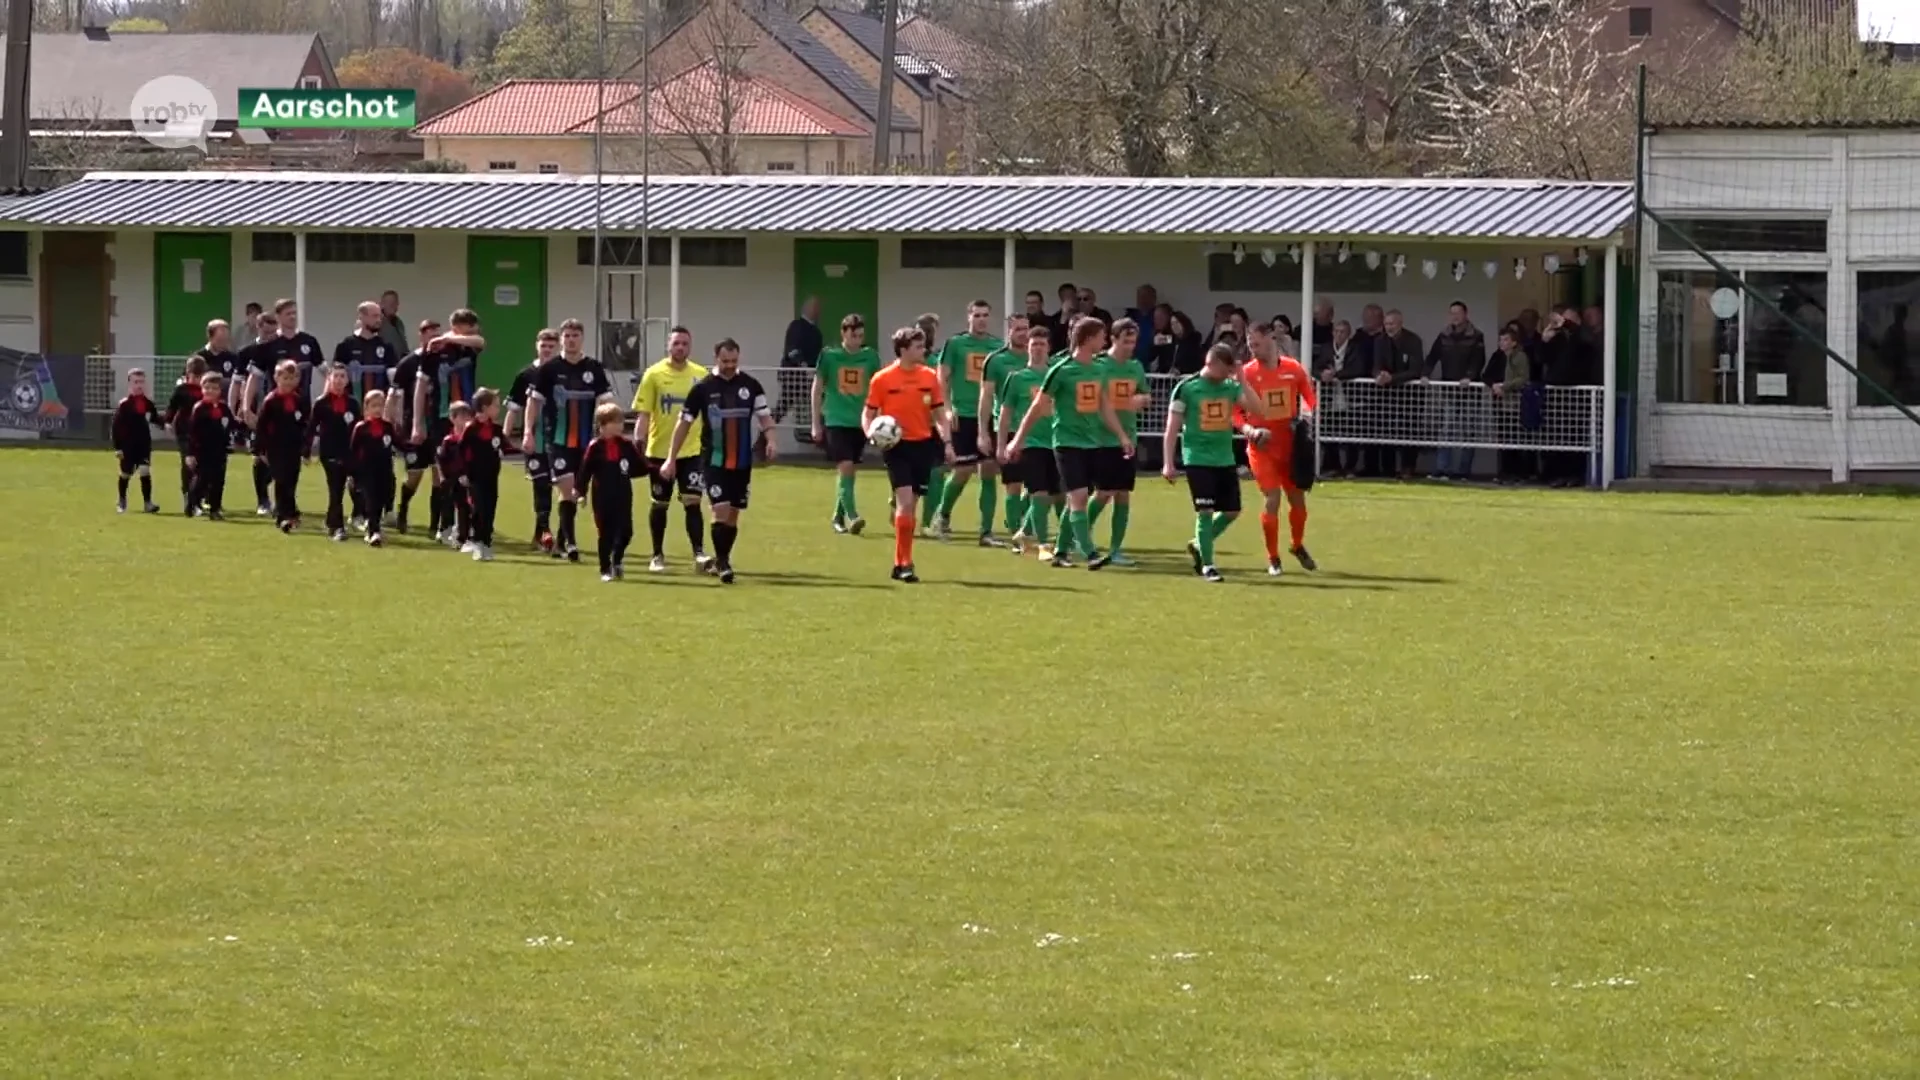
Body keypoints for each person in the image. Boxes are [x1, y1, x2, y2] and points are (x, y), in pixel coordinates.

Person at [1006, 318, 1128, 570]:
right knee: (1079, 496)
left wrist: (1121, 435)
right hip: (1065, 442)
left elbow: (1104, 405)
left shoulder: (1099, 370)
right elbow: (1037, 408)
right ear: (1088, 338)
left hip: (1092, 443)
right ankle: (1090, 552)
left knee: (1086, 497)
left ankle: (1061, 551)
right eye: (1101, 336)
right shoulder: (1061, 370)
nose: (1104, 341)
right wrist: (1017, 440)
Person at [660, 338, 775, 586]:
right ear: (716, 359)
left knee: (733, 515)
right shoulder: (702, 388)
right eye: (725, 361)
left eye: (734, 361)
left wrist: (771, 439)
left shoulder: (751, 386)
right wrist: (671, 458)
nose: (730, 366)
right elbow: (684, 424)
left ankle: (724, 558)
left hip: (742, 462)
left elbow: (765, 417)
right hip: (713, 461)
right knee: (719, 510)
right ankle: (723, 563)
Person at [1163, 344, 1267, 583]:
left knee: (1232, 511)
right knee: (1205, 511)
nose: (1228, 374)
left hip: (1224, 459)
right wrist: (1168, 463)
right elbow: (1172, 428)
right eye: (1227, 368)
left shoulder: (1230, 388)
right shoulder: (1187, 388)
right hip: (1198, 459)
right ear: (1214, 363)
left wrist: (1242, 379)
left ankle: (1199, 543)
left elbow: (1258, 408)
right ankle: (1208, 565)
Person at [863, 325, 955, 583]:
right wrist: (870, 431)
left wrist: (947, 442)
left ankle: (898, 562)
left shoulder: (929, 377)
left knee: (910, 508)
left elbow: (938, 414)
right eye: (917, 346)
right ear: (903, 350)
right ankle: (906, 564)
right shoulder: (882, 379)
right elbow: (868, 412)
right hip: (896, 447)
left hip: (923, 445)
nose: (923, 350)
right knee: (905, 502)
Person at [524, 318, 613, 563]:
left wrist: (610, 428)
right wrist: (528, 432)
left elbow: (606, 401)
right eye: (567, 336)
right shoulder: (550, 369)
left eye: (575, 335)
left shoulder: (593, 368)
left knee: (576, 492)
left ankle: (563, 540)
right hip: (558, 440)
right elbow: (534, 401)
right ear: (562, 339)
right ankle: (571, 543)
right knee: (568, 490)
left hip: (586, 442)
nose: (571, 340)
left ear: (582, 338)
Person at [1239, 321, 1320, 576]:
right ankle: (1273, 558)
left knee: (1298, 501)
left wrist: (1307, 415)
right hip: (1262, 447)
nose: (1253, 349)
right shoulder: (1247, 373)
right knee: (1272, 499)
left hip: (1290, 445)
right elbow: (1234, 411)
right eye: (1250, 344)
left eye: (1257, 343)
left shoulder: (1293, 369)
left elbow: (1309, 396)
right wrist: (1248, 430)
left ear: (1271, 338)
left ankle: (1296, 545)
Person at [631, 326, 711, 573]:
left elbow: (709, 413)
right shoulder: (653, 374)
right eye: (676, 343)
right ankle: (657, 554)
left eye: (685, 344)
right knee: (660, 503)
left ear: (690, 346)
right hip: (659, 451)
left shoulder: (701, 375)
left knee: (693, 502)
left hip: (692, 451)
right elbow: (644, 413)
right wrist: (638, 442)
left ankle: (699, 554)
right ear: (668, 345)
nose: (680, 348)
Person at [931, 299, 1006, 545]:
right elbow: (941, 378)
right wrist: (947, 409)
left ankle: (986, 532)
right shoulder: (956, 344)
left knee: (988, 471)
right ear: (969, 317)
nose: (982, 319)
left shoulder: (997, 347)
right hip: (962, 415)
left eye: (985, 315)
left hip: (988, 417)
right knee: (962, 471)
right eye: (977, 315)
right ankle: (941, 516)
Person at [409, 309, 486, 542]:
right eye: (471, 327)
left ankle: (467, 526)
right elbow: (420, 389)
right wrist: (416, 423)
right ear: (460, 326)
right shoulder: (432, 352)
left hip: (468, 420)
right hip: (441, 418)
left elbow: (480, 342)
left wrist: (449, 338)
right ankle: (445, 525)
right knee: (444, 474)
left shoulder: (467, 347)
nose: (475, 331)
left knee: (470, 473)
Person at [1085, 317, 1149, 565]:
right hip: (1101, 437)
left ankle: (1115, 549)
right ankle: (1078, 535)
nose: (1130, 346)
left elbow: (1145, 394)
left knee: (1123, 494)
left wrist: (1142, 400)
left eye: (1133, 341)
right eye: (1125, 340)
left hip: (1128, 437)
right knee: (1103, 493)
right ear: (1112, 339)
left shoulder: (1136, 367)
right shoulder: (1099, 365)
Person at [811, 313, 882, 535]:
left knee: (849, 472)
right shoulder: (830, 356)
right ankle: (853, 516)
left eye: (860, 335)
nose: (857, 340)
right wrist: (816, 423)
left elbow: (878, 387)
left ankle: (837, 517)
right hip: (836, 419)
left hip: (860, 421)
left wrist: (878, 418)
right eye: (853, 335)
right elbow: (817, 387)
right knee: (846, 466)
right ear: (843, 333)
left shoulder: (870, 356)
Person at [996, 323, 1058, 556]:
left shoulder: (1056, 375)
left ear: (1049, 348)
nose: (1038, 349)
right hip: (1030, 442)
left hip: (1056, 440)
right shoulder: (1017, 378)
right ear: (1027, 348)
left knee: (1053, 495)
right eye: (1034, 344)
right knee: (1039, 493)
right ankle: (1043, 545)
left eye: (1042, 344)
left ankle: (1024, 530)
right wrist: (1003, 444)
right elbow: (1006, 414)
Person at [333, 302, 394, 529]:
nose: (379, 319)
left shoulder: (385, 347)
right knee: (354, 465)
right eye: (375, 315)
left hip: (378, 416)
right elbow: (336, 378)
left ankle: (380, 511)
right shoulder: (346, 346)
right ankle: (356, 512)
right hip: (353, 416)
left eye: (380, 315)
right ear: (362, 317)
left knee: (381, 464)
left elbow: (393, 381)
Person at [977, 312, 1032, 542]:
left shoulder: (1037, 358)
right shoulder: (996, 360)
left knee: (1038, 484)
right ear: (1009, 331)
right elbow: (986, 396)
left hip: (1034, 429)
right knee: (1011, 482)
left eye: (1026, 328)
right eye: (1018, 329)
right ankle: (993, 531)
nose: (1023, 333)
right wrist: (982, 431)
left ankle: (1018, 524)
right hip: (1006, 426)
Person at [385, 317, 442, 534]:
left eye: (438, 335)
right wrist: (388, 422)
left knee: (440, 475)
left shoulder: (443, 360)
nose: (435, 339)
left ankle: (435, 525)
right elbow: (394, 395)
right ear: (422, 336)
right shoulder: (408, 363)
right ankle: (403, 509)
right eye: (431, 334)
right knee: (415, 476)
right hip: (414, 427)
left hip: (437, 426)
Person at [577, 402, 646, 581]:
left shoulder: (626, 445)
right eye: (616, 422)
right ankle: (605, 568)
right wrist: (581, 492)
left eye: (621, 422)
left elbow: (640, 466)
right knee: (605, 533)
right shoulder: (595, 447)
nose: (620, 426)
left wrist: (658, 470)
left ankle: (617, 558)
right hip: (602, 496)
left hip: (623, 494)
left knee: (626, 531)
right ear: (603, 425)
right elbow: (585, 471)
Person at [506, 329, 560, 550]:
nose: (547, 350)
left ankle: (560, 536)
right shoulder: (526, 375)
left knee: (564, 487)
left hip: (559, 439)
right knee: (541, 485)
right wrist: (505, 436)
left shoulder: (562, 372)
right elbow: (513, 408)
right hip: (536, 441)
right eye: (543, 346)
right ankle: (543, 532)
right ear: (536, 346)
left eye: (551, 346)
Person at [253, 359, 309, 533]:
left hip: (293, 448)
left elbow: (304, 425)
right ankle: (282, 516)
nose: (289, 382)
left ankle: (291, 512)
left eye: (292, 378)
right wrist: (259, 449)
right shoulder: (271, 401)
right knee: (281, 480)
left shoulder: (299, 400)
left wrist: (305, 447)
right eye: (285, 378)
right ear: (277, 378)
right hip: (276, 447)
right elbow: (261, 426)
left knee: (292, 480)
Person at [306, 362, 358, 542]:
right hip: (329, 452)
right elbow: (311, 428)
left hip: (348, 452)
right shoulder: (321, 403)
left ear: (347, 380)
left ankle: (330, 521)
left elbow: (358, 429)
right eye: (335, 376)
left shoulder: (353, 403)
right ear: (329, 379)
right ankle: (338, 528)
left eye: (342, 376)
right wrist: (306, 451)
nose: (338, 380)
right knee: (335, 488)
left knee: (341, 488)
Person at [236, 310, 279, 515]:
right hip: (255, 410)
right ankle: (262, 500)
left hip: (278, 411)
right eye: (267, 330)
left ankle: (279, 494)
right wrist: (238, 410)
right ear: (259, 327)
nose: (271, 335)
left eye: (274, 331)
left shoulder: (281, 349)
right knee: (259, 455)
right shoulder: (247, 352)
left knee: (279, 456)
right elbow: (239, 382)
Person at [458, 388, 505, 562]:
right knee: (479, 508)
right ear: (484, 407)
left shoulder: (496, 429)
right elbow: (461, 451)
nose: (498, 409)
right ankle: (477, 541)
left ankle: (487, 542)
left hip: (492, 476)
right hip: (475, 476)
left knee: (490, 508)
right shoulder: (471, 428)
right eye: (495, 405)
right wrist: (463, 472)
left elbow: (504, 446)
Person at [111, 368, 164, 514]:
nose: (139, 385)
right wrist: (118, 448)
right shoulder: (124, 405)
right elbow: (116, 427)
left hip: (144, 444)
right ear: (129, 384)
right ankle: (122, 500)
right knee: (126, 473)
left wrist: (166, 425)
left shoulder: (147, 403)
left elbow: (155, 418)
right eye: (136, 382)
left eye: (141, 382)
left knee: (144, 470)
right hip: (128, 445)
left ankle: (148, 503)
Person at [349, 389, 396, 547]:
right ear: (366, 408)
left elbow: (397, 443)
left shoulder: (388, 427)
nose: (377, 410)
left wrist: (412, 448)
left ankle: (374, 526)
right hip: (367, 470)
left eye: (380, 406)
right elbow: (354, 451)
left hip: (385, 469)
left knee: (382, 499)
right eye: (374, 406)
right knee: (371, 500)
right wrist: (353, 473)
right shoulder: (361, 428)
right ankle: (373, 533)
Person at [185, 372, 234, 520]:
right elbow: (192, 432)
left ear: (220, 390)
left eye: (214, 388)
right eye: (207, 388)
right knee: (202, 479)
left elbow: (230, 425)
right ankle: (192, 503)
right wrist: (191, 453)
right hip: (203, 450)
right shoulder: (199, 408)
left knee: (218, 480)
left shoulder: (224, 408)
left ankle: (215, 508)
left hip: (220, 451)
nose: (210, 391)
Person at [163, 355, 209, 514]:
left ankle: (199, 498)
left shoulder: (207, 390)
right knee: (188, 463)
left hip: (202, 432)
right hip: (184, 431)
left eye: (200, 376)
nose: (197, 379)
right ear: (188, 374)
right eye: (194, 376)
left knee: (203, 466)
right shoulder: (182, 390)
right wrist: (168, 422)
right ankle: (188, 498)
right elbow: (172, 407)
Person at [778, 296, 822, 432]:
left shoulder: (815, 331)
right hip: (794, 377)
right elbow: (792, 350)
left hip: (810, 378)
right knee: (783, 407)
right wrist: (804, 367)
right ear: (807, 309)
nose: (818, 311)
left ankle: (823, 440)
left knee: (821, 404)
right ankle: (762, 440)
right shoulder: (797, 326)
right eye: (815, 308)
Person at [438, 402, 473, 551]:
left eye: (468, 417)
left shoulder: (471, 439)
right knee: (448, 505)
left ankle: (462, 537)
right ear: (453, 419)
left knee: (465, 507)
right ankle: (444, 529)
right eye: (462, 417)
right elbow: (442, 460)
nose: (466, 420)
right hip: (452, 479)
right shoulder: (449, 441)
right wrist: (444, 477)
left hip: (467, 479)